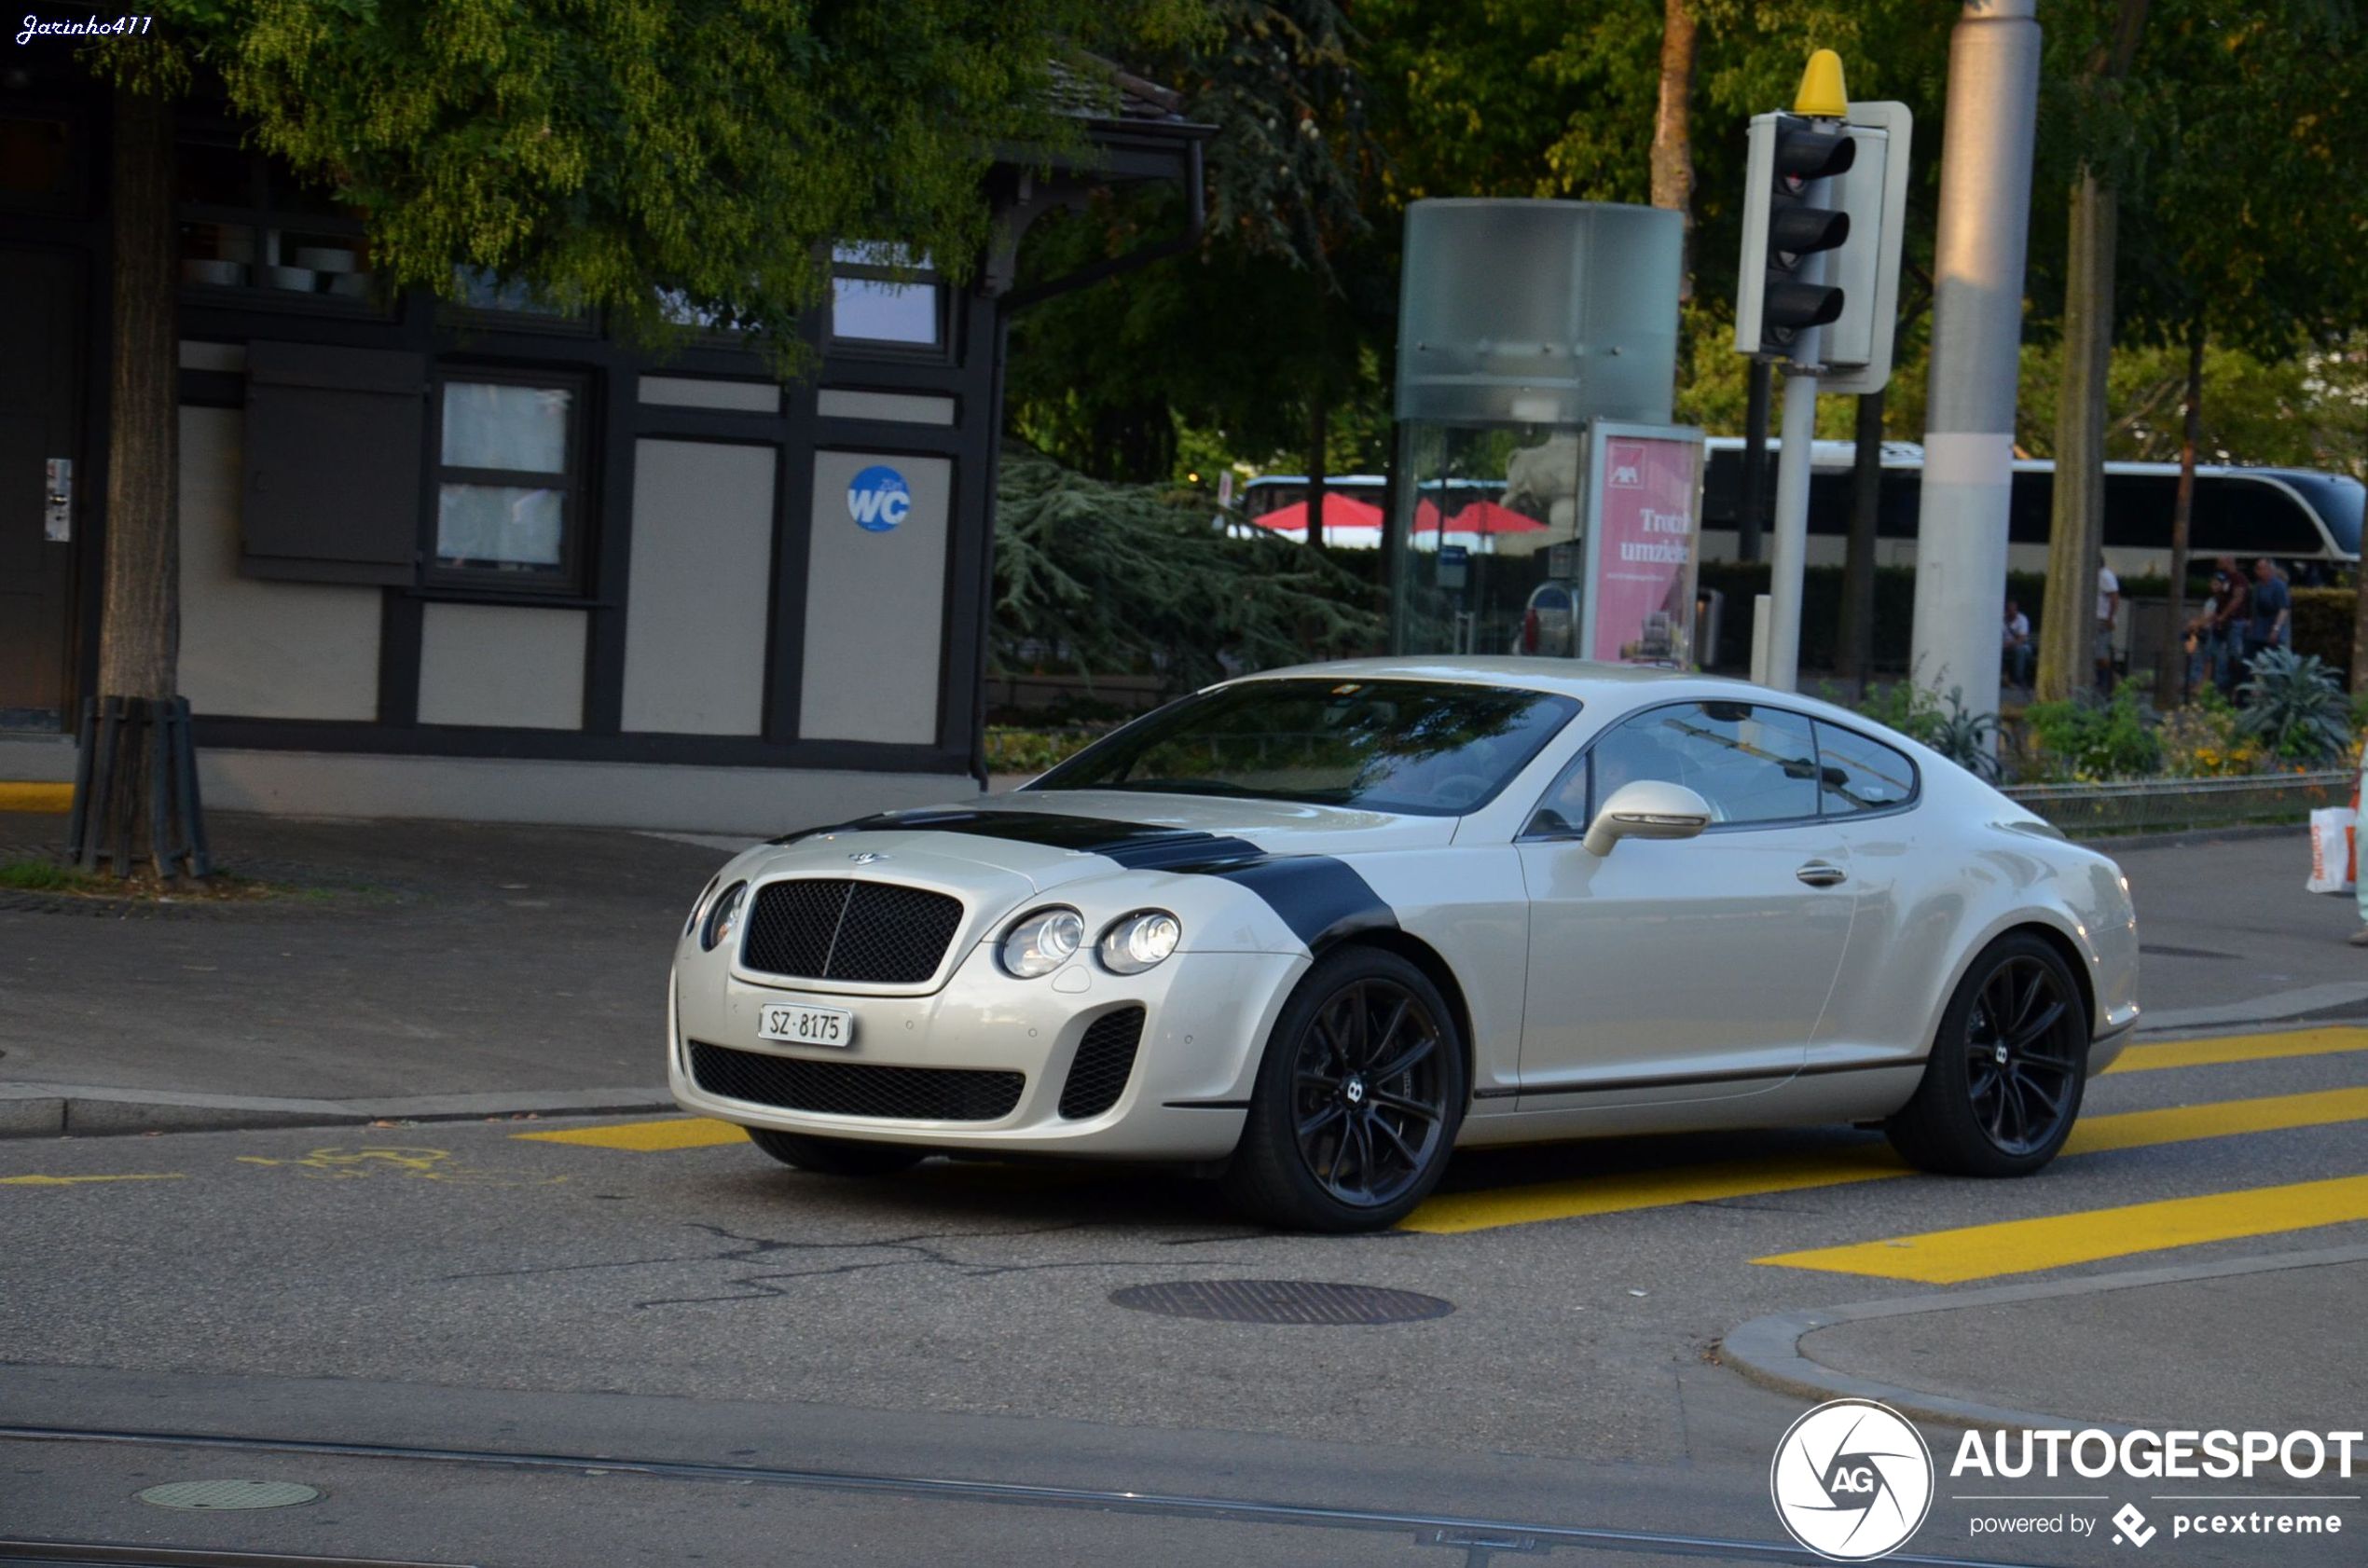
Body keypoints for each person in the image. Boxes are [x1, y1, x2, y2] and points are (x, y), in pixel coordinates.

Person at [2210, 557, 2251, 696]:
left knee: (2233, 655)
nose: (2218, 566)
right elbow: (2221, 598)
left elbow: (2236, 599)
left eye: (2221, 563)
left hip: (2234, 622)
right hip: (2222, 623)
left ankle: (2235, 686)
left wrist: (2224, 616)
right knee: (2215, 653)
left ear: (2229, 563)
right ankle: (2220, 687)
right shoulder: (2224, 579)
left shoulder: (2239, 579)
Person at [2246, 556, 2292, 675]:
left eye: (2261, 568)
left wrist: (2276, 629)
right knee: (2249, 660)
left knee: (2273, 664)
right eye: (2257, 568)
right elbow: (2254, 607)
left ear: (2269, 569)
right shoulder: (2257, 586)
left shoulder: (2279, 586)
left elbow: (2283, 609)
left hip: (2272, 631)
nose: (2257, 571)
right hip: (2257, 632)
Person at [2094, 563, 2121, 693]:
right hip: (2096, 618)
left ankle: (2112, 679)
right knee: (2096, 654)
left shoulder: (2105, 576)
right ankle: (2104, 680)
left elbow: (2114, 598)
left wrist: (2110, 618)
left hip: (2103, 619)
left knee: (2100, 655)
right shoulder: (2096, 575)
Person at [2002, 598, 2033, 690]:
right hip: (2005, 646)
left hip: (2022, 646)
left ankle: (2018, 679)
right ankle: (2004, 678)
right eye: (2010, 610)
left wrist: (2008, 644)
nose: (2012, 612)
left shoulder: (2022, 619)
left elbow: (2022, 639)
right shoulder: (2002, 619)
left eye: (2014, 609)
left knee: (2019, 650)